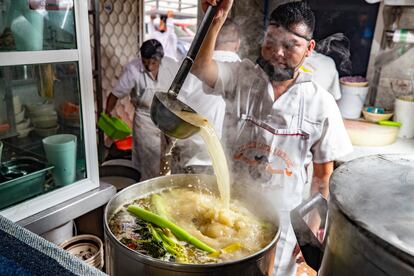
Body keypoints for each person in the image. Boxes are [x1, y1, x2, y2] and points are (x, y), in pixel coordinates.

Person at [192, 1, 353, 275]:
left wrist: (311, 232)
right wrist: (215, 21)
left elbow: (321, 178)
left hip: (284, 221)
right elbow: (201, 67)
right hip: (229, 210)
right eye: (271, 41)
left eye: (291, 45)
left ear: (309, 49)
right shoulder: (241, 77)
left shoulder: (320, 103)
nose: (277, 53)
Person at [105, 39, 182, 180]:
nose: (149, 65)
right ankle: (149, 186)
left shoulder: (171, 65)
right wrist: (107, 112)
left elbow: (184, 86)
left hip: (168, 114)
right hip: (145, 118)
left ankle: (169, 183)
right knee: (149, 159)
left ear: (161, 59)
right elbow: (115, 94)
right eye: (146, 61)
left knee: (174, 153)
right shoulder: (133, 69)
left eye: (154, 62)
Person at [175, 19, 241, 173]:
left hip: (192, 156)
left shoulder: (192, 69)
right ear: (238, 44)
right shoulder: (244, 71)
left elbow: (176, 106)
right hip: (227, 162)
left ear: (213, 41)